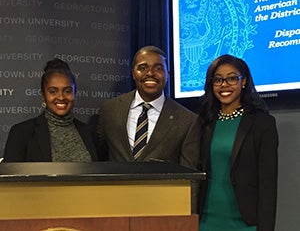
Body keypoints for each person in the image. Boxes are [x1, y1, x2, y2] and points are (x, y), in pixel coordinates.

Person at [197, 54, 278, 231]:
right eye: (218, 80)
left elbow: (268, 185)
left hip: (245, 223)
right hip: (206, 221)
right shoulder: (204, 122)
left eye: (232, 78)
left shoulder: (262, 123)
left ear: (244, 82)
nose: (224, 85)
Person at [97, 45, 200, 168]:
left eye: (158, 68)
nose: (150, 73)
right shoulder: (110, 109)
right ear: (133, 73)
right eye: (142, 68)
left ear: (167, 74)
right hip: (116, 187)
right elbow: (99, 158)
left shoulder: (187, 121)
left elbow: (190, 174)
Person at [4, 58, 99, 162]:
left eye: (67, 91)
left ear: (75, 94)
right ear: (43, 95)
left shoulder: (88, 133)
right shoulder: (21, 133)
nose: (61, 97)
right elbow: (11, 175)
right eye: (53, 92)